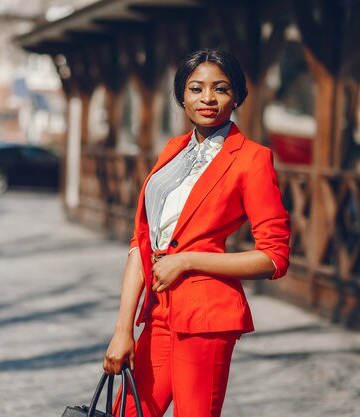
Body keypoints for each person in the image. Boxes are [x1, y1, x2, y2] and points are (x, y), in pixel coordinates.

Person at [102, 49, 291, 417]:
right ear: (181, 97)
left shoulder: (252, 159)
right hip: (157, 311)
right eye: (196, 88)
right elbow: (141, 243)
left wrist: (186, 261)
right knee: (128, 411)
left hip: (207, 315)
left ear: (236, 95)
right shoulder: (172, 151)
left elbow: (274, 257)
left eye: (220, 88)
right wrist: (122, 328)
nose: (208, 98)